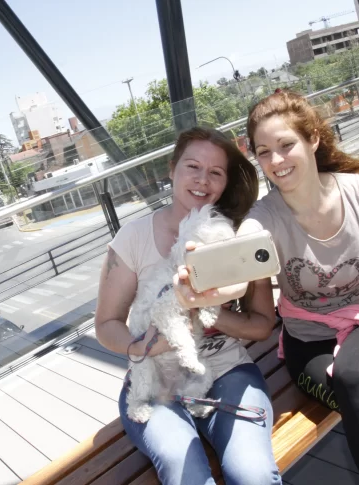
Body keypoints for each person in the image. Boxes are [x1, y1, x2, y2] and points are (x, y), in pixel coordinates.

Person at [175, 91, 359, 485]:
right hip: (307, 342)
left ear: (313, 140)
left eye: (286, 145)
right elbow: (240, 270)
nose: (276, 161)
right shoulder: (265, 217)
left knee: (355, 379)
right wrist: (203, 292)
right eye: (264, 152)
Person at [95, 127, 282, 485]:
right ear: (172, 169)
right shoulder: (132, 239)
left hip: (227, 371)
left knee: (253, 474)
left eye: (215, 172)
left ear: (226, 182)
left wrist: (206, 309)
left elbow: (261, 326)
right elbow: (106, 323)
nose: (202, 180)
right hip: (157, 380)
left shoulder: (238, 235)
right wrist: (140, 346)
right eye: (192, 167)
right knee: (186, 471)